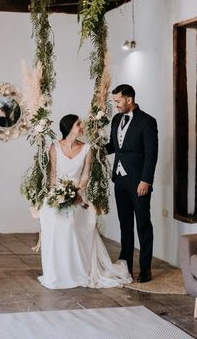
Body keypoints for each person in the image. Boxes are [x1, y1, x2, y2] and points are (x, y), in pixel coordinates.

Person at [38, 114, 132, 289]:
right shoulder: (55, 147)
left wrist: (76, 193)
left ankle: (78, 271)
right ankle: (57, 272)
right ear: (69, 127)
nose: (82, 127)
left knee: (73, 224)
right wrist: (56, 194)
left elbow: (86, 175)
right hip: (57, 194)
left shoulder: (87, 148)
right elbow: (52, 175)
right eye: (78, 124)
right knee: (53, 221)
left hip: (79, 196)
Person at [106, 84, 158, 283]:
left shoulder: (147, 122)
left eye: (117, 101)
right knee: (125, 223)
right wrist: (93, 148)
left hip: (139, 182)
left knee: (143, 224)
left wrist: (146, 180)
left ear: (129, 99)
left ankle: (145, 269)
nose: (115, 105)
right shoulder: (116, 119)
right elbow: (114, 146)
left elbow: (151, 155)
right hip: (119, 179)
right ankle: (125, 264)